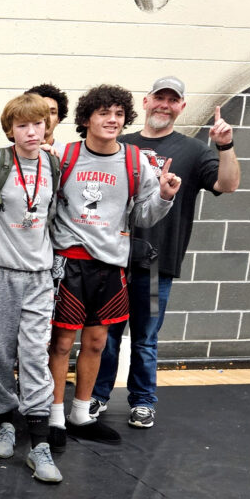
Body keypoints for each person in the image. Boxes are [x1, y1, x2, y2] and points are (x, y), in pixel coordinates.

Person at [93, 76, 240, 428]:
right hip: (111, 261)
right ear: (146, 101)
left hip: (157, 266)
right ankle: (96, 395)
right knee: (104, 336)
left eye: (172, 100)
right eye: (159, 97)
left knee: (145, 338)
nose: (164, 104)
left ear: (181, 107)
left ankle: (143, 401)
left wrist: (225, 146)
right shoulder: (120, 144)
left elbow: (229, 184)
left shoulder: (194, 151)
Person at [47, 84, 179, 450]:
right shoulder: (65, 155)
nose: (112, 120)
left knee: (96, 342)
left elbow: (143, 215)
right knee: (61, 343)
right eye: (104, 113)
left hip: (110, 266)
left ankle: (80, 414)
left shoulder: (135, 161)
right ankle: (54, 416)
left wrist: (164, 196)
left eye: (119, 114)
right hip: (69, 263)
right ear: (87, 118)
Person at [0, 94, 62, 482]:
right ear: (10, 130)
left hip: (39, 275)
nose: (31, 132)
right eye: (22, 125)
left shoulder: (53, 164)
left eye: (38, 124)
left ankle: (39, 443)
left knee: (35, 354)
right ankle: (5, 421)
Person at [27, 83, 70, 154]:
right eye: (40, 110)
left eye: (52, 112)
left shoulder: (67, 154)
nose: (46, 117)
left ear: (58, 119)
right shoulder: (10, 153)